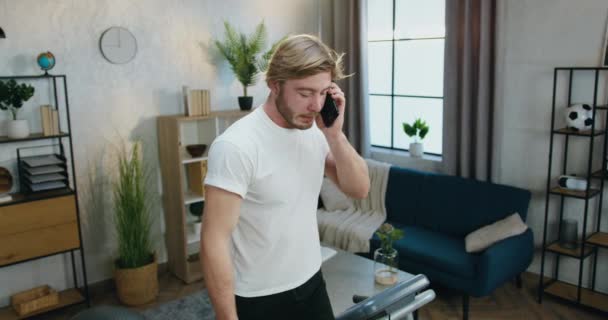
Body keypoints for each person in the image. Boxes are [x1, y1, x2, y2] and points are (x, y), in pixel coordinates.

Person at [200, 34, 370, 320]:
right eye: (305, 94)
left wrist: (335, 134)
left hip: (311, 282)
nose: (316, 105)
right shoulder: (236, 146)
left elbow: (359, 188)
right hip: (258, 298)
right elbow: (214, 240)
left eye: (323, 92)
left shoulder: (315, 132)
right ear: (274, 85)